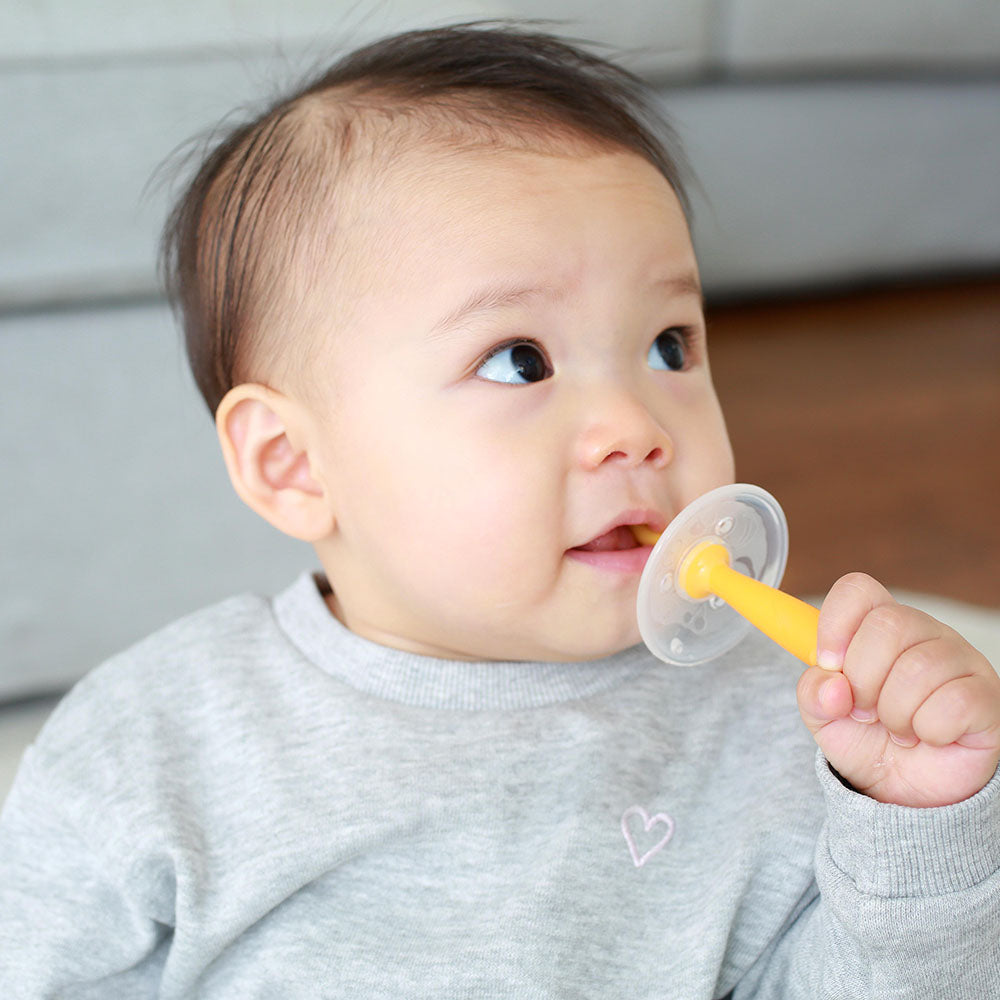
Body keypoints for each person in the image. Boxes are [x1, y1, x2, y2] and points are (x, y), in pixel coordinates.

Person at [1, 24, 998, 998]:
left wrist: (917, 831)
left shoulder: (795, 722)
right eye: (520, 361)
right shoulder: (156, 745)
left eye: (668, 346)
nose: (636, 426)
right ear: (295, 464)